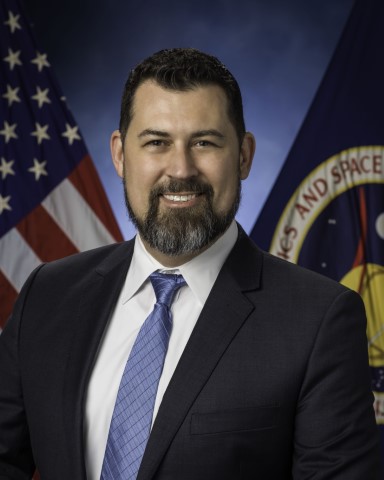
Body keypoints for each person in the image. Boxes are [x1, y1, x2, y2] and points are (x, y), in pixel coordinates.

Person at [0, 48, 380, 479]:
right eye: (156, 142)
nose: (180, 169)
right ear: (121, 155)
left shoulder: (318, 320)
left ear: (244, 155)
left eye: (204, 142)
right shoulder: (47, 294)